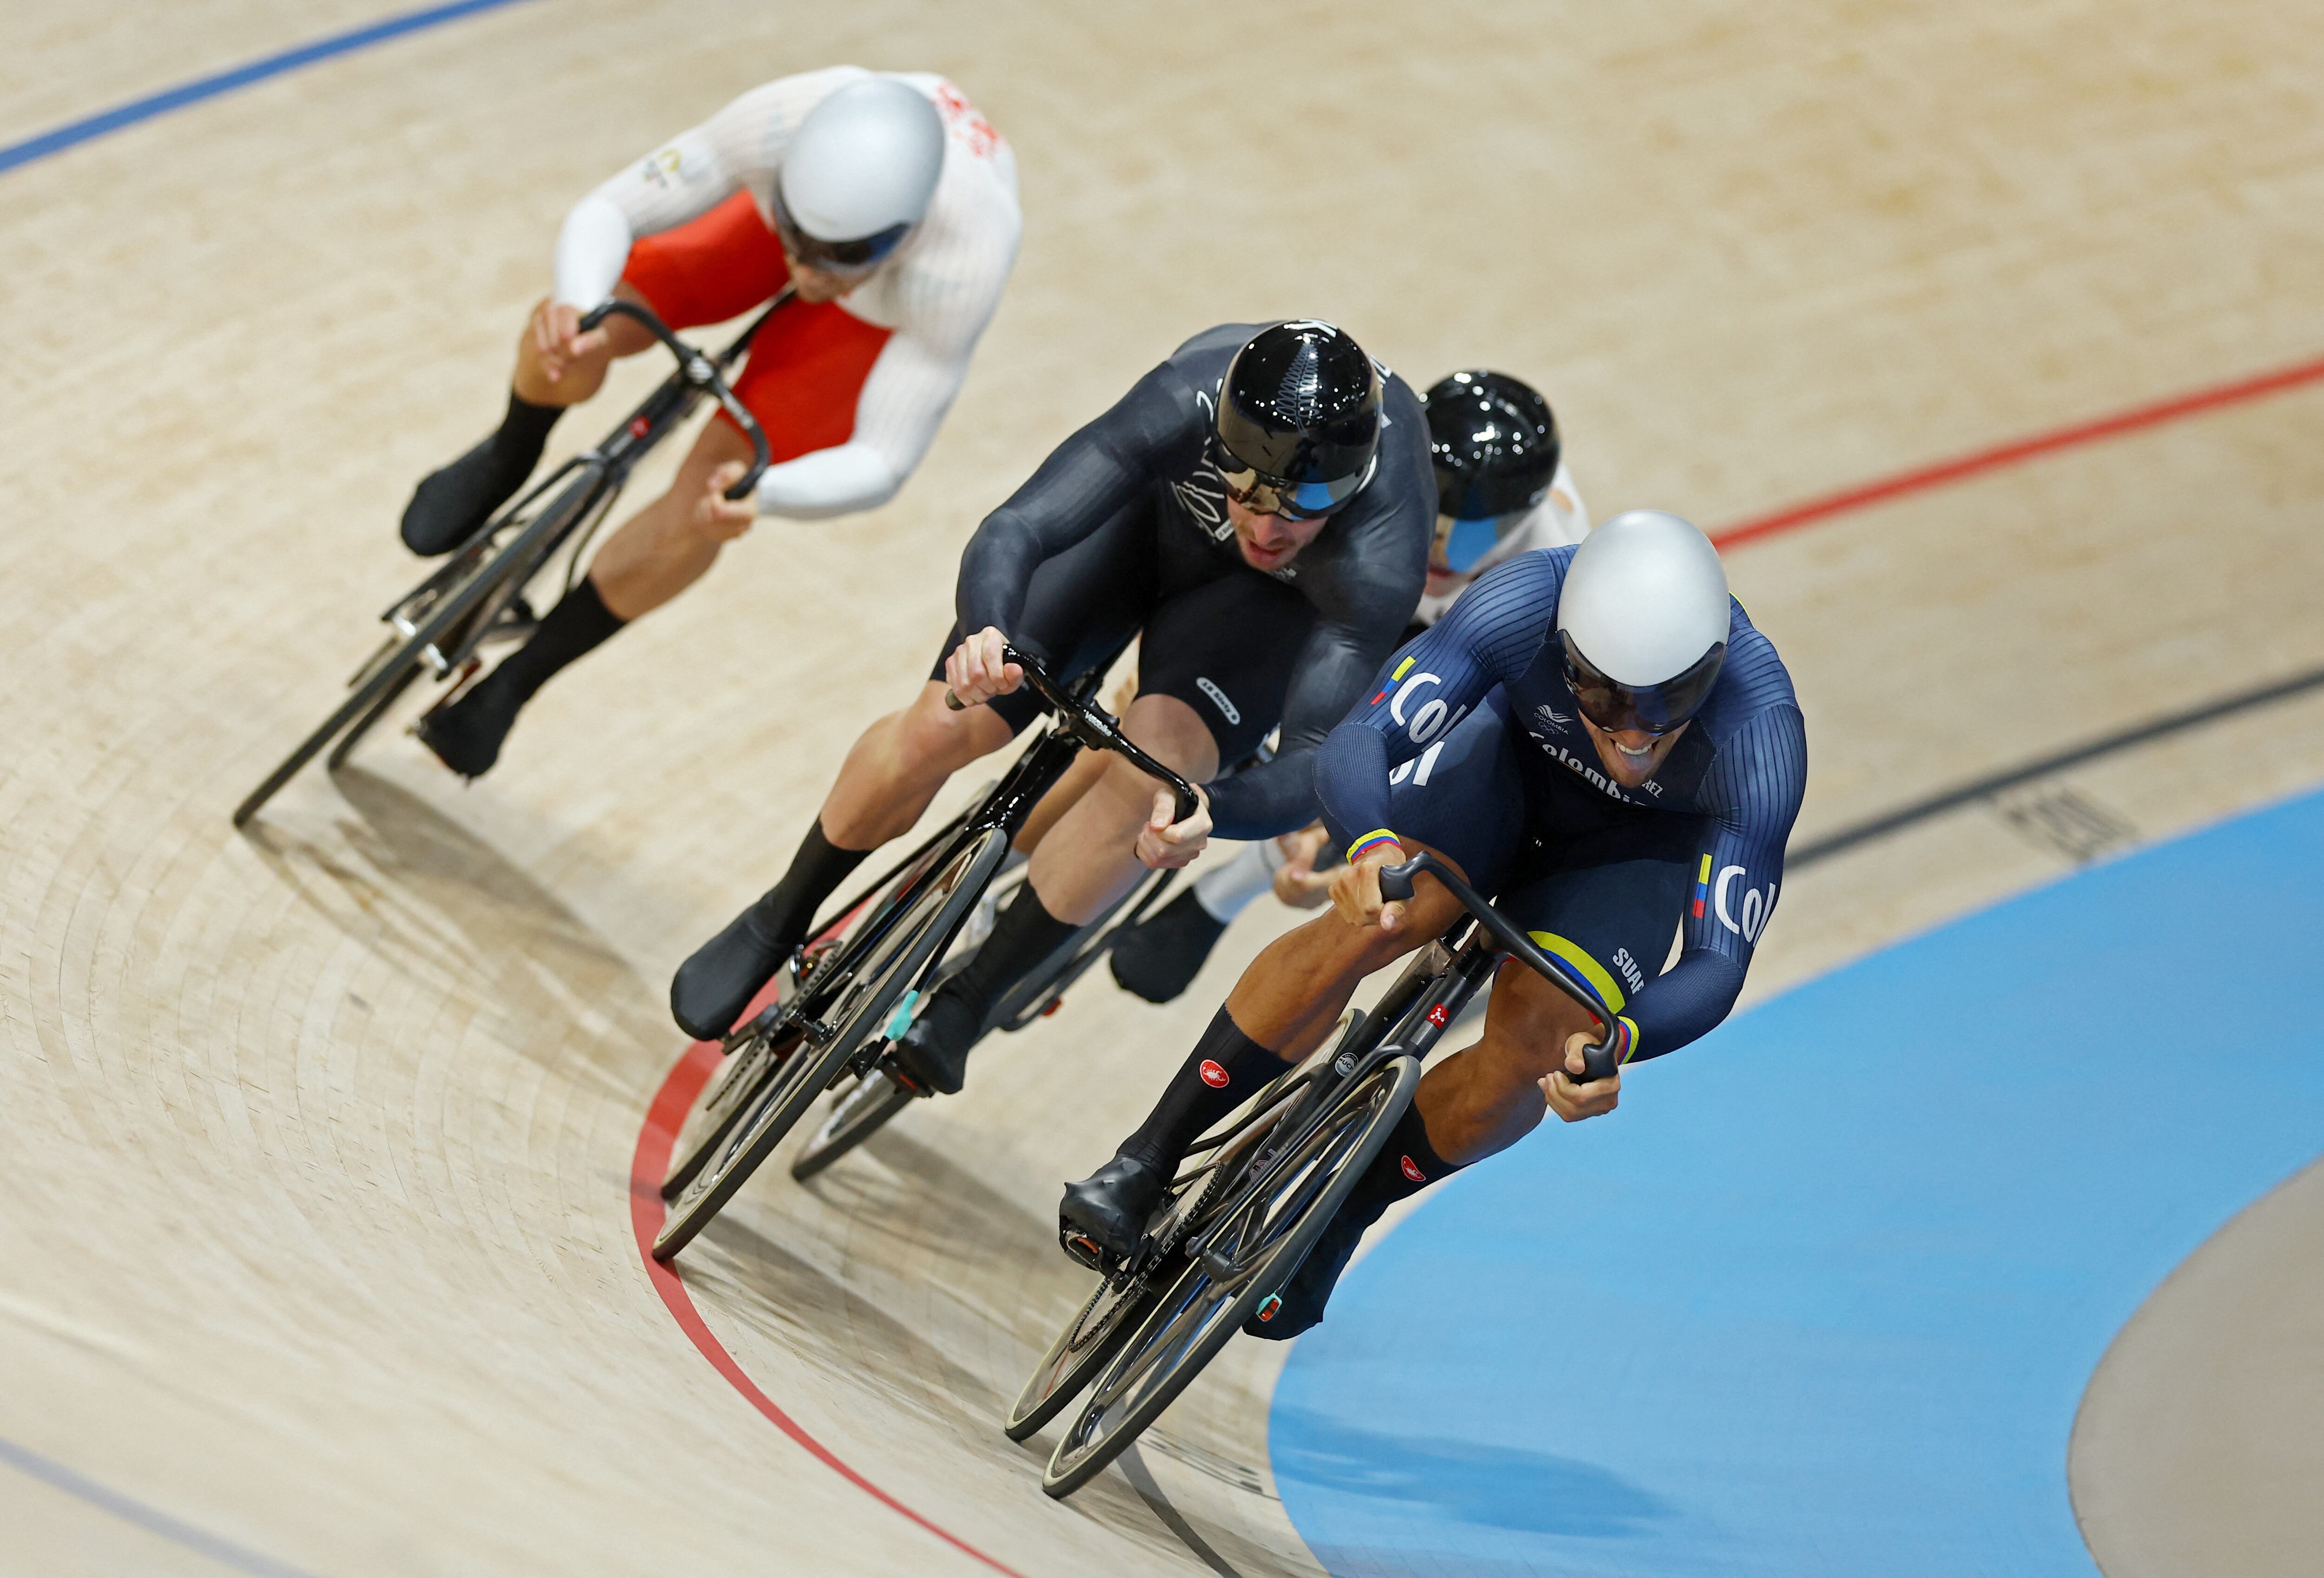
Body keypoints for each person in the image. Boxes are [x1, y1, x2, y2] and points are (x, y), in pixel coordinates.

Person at [1061, 510, 1807, 1338]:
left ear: (1713, 668)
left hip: (1631, 859)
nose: (1634, 732)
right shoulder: (1523, 600)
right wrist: (1371, 845)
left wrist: (1619, 1043)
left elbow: (1717, 962)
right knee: (1382, 914)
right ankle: (1148, 1156)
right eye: (1604, 696)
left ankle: (1343, 1216)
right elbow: (1363, 740)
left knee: (1540, 1046)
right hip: (1501, 773)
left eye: (1670, 703)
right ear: (1566, 648)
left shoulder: (1760, 735)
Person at [668, 320, 1438, 1106]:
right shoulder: (1187, 398)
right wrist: (987, 628)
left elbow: (1313, 758)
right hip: (1146, 527)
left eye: (1296, 515)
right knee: (948, 721)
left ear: (1349, 494)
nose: (1264, 527)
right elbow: (1020, 527)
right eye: (1244, 491)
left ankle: (968, 1003)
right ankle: (781, 914)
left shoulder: (1383, 547)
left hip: (1259, 614)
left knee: (1158, 777)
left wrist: (1214, 809)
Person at [400, 68, 1022, 777]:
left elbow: (884, 457)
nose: (808, 272)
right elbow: (609, 211)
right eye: (800, 239)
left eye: (841, 256)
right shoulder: (779, 122)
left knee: (710, 501)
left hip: (878, 315)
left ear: (904, 233)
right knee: (584, 328)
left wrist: (767, 494)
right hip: (762, 229)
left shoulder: (964, 258)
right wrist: (577, 305)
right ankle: (511, 451)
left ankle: (515, 684)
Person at [1108, 369, 1589, 1004]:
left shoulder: (1551, 578)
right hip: (1373, 596)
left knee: (1387, 765)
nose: (1444, 546)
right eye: (1436, 518)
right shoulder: (1371, 478)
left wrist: (1328, 829)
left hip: (1465, 640)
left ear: (1520, 524)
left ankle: (1231, 891)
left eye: (1470, 533)